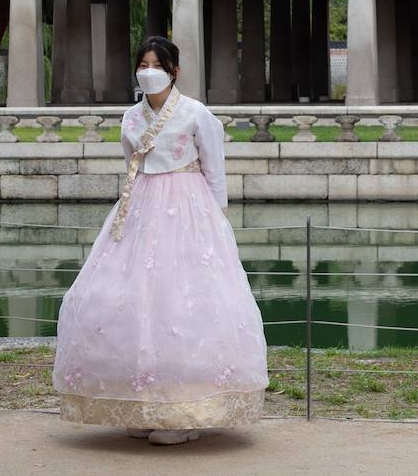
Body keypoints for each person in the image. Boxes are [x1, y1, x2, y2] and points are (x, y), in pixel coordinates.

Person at [52, 36, 267, 445]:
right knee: (131, 300)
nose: (148, 70)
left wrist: (217, 220)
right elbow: (130, 163)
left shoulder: (195, 114)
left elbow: (214, 168)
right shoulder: (131, 118)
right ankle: (143, 404)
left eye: (157, 64)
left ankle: (186, 414)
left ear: (174, 70)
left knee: (183, 302)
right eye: (143, 63)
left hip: (188, 205)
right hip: (141, 204)